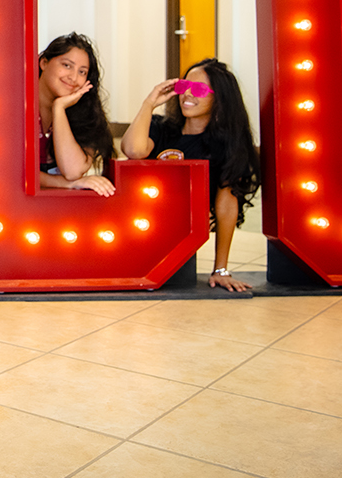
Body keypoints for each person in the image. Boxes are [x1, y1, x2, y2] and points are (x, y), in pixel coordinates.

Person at [121, 57, 263, 292]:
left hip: (179, 236)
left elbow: (226, 205)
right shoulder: (161, 127)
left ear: (220, 98)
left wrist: (221, 269)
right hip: (136, 227)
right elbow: (133, 150)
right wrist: (149, 104)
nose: (187, 94)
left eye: (198, 89)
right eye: (183, 86)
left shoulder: (226, 146)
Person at [37, 33, 116, 194]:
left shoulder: (86, 112)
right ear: (44, 62)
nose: (73, 77)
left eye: (82, 72)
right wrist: (63, 183)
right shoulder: (14, 105)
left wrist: (59, 109)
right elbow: (9, 172)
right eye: (67, 65)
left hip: (56, 206)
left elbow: (72, 171)